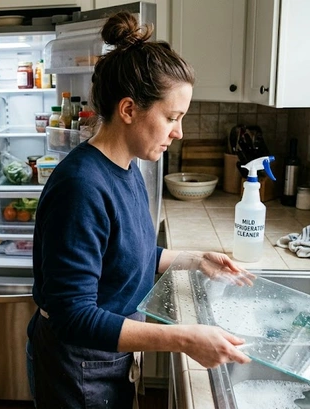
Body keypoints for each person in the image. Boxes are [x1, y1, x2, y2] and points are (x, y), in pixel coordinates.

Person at [26, 11, 253, 408]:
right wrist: (184, 338)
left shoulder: (127, 166)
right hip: (77, 368)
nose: (179, 132)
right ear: (129, 110)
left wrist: (194, 259)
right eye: (172, 117)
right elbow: (72, 315)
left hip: (105, 357)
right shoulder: (81, 187)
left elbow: (125, 253)